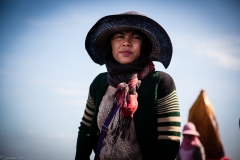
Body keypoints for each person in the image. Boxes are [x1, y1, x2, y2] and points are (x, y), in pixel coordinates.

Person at [75, 11, 181, 160]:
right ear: (110, 44)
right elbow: (86, 129)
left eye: (135, 37)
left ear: (144, 45)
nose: (126, 42)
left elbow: (170, 141)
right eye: (119, 36)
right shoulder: (99, 82)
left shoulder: (160, 82)